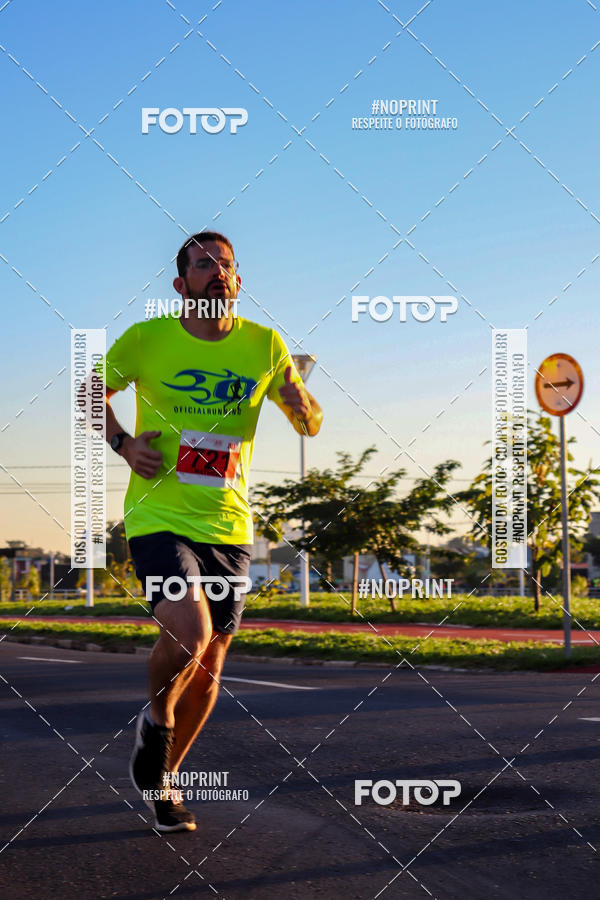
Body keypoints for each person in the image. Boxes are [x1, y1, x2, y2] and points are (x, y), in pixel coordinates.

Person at [98, 231, 322, 832]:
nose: (218, 271)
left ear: (238, 281)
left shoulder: (264, 344)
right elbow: (92, 390)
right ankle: (155, 718)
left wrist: (302, 405)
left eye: (227, 264)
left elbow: (310, 420)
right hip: (158, 515)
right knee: (192, 630)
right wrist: (123, 443)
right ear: (181, 284)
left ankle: (165, 777)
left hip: (228, 522)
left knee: (212, 660)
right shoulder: (147, 339)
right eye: (204, 264)